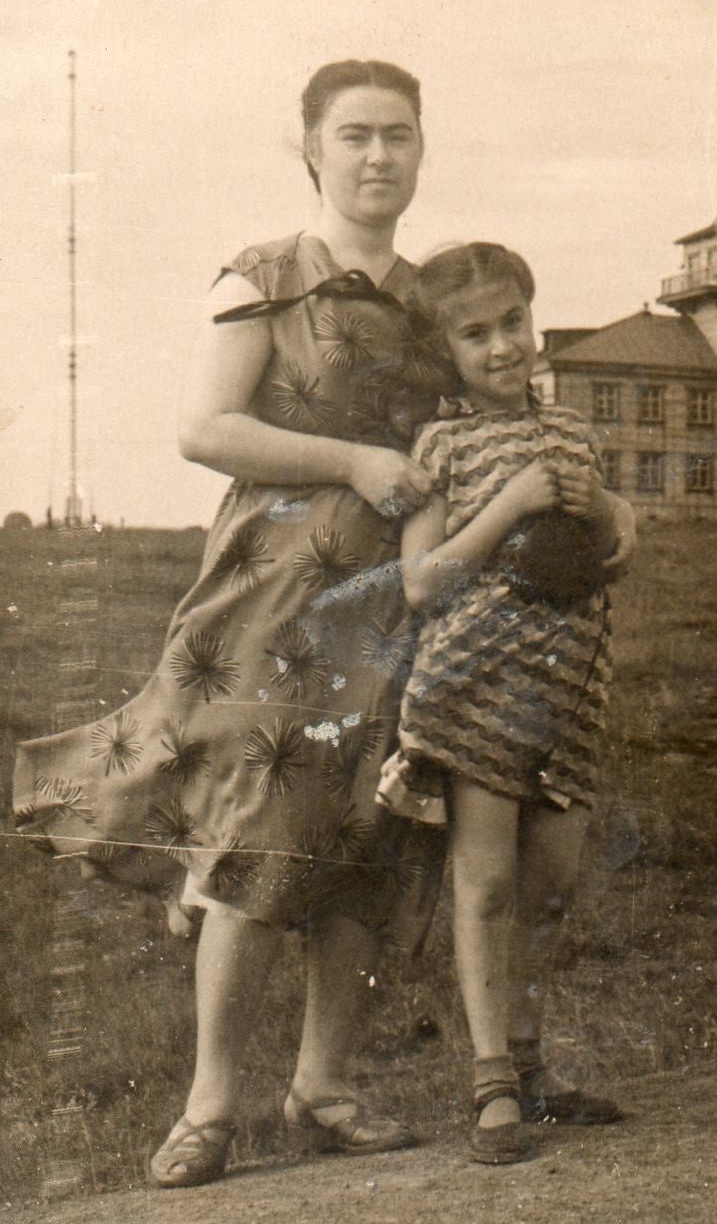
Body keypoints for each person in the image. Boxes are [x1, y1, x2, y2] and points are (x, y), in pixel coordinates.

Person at [13, 59, 451, 1188]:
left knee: (366, 833)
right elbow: (204, 427)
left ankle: (324, 1087)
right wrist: (353, 461)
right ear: (309, 149)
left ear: (421, 148)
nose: (377, 156)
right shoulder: (264, 276)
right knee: (255, 834)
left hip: (396, 604)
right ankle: (209, 1107)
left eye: (398, 135)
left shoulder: (439, 302)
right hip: (272, 598)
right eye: (354, 135)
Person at [377, 242, 636, 1164]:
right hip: (476, 688)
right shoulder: (440, 446)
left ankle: (532, 1069)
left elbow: (606, 549)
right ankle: (492, 1081)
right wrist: (511, 503)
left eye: (512, 323)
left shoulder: (572, 433)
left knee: (551, 885)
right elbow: (421, 581)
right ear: (444, 350)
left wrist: (609, 513)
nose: (500, 347)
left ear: (534, 319)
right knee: (484, 884)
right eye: (474, 334)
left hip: (567, 688)